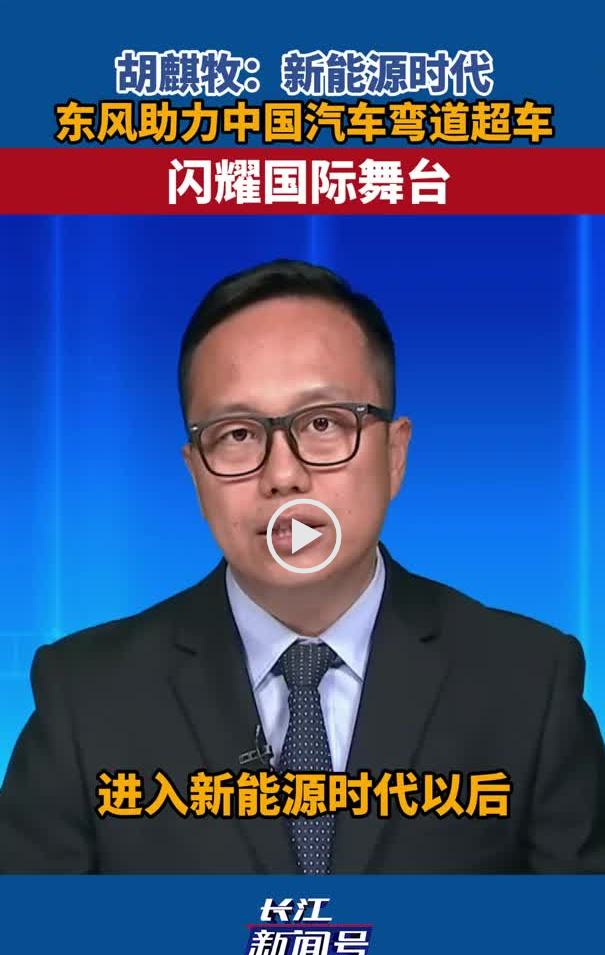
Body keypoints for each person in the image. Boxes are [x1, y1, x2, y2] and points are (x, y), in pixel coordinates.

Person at [1, 258, 604, 874]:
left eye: (322, 423)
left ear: (395, 454)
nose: (283, 475)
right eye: (237, 434)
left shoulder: (529, 686)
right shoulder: (86, 700)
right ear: (195, 474)